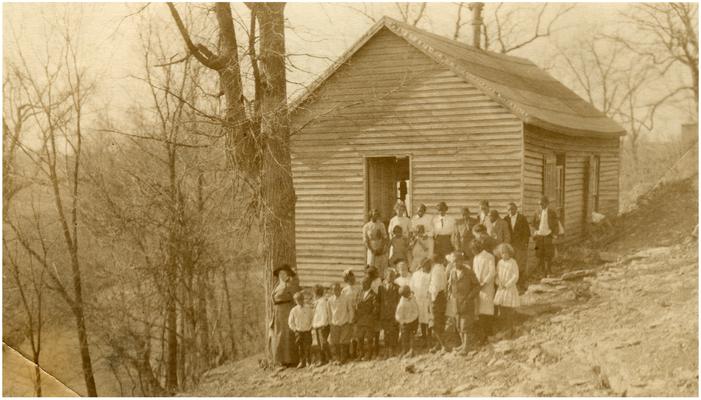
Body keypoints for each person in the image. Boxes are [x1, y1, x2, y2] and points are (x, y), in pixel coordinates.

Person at [448, 251, 481, 354]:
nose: (454, 264)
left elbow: (477, 286)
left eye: (456, 261)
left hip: (466, 302)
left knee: (465, 325)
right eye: (453, 262)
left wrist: (469, 297)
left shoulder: (468, 272)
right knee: (458, 325)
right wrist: (450, 294)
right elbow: (450, 285)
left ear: (461, 261)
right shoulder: (452, 272)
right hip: (456, 302)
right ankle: (463, 344)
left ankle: (467, 347)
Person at [271, 264, 300, 367]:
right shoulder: (277, 285)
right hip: (278, 313)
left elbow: (296, 297)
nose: (282, 276)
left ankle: (291, 360)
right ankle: (282, 360)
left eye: (284, 273)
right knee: (279, 335)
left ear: (288, 275)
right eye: (280, 274)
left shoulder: (290, 285)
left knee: (288, 335)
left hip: (287, 311)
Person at [471, 238, 496, 345]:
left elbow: (492, 272)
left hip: (487, 287)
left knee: (488, 310)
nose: (473, 251)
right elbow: (474, 272)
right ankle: (483, 335)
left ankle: (489, 334)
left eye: (474, 249)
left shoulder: (489, 256)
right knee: (480, 311)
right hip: (478, 287)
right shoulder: (475, 258)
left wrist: (484, 283)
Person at [493, 244, 520, 339]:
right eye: (502, 253)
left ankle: (510, 328)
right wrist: (498, 282)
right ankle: (504, 327)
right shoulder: (500, 263)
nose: (504, 255)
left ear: (510, 253)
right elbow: (496, 274)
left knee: (508, 309)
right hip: (501, 288)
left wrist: (507, 284)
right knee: (502, 308)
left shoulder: (513, 262)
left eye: (506, 253)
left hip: (509, 288)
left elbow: (515, 276)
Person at [531, 196, 560, 278]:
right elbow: (533, 224)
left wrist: (555, 235)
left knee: (549, 254)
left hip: (548, 235)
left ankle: (549, 270)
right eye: (539, 204)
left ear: (547, 203)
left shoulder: (552, 213)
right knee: (539, 253)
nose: (540, 205)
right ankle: (542, 271)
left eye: (542, 204)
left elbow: (556, 225)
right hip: (539, 236)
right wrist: (534, 232)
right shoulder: (537, 212)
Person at [505, 202, 531, 291]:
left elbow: (527, 232)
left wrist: (525, 244)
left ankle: (521, 285)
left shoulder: (522, 218)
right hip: (511, 246)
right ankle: (513, 285)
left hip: (520, 246)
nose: (510, 211)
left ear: (516, 209)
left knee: (520, 265)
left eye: (512, 209)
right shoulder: (506, 219)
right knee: (512, 265)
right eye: (508, 209)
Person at [354, 277, 379, 360]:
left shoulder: (373, 295)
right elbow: (356, 303)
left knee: (369, 338)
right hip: (360, 320)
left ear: (368, 284)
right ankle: (361, 354)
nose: (362, 285)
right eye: (361, 283)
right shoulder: (359, 293)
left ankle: (369, 355)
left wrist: (370, 317)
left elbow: (376, 308)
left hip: (369, 320)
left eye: (364, 283)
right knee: (360, 338)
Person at [428, 253, 448, 353]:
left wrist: (432, 299)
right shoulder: (441, 268)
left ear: (432, 261)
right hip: (442, 296)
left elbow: (435, 287)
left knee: (435, 323)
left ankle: (443, 345)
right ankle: (439, 344)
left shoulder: (436, 270)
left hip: (437, 297)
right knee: (440, 322)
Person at [410, 257, 432, 348]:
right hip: (418, 300)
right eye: (425, 265)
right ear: (422, 265)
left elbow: (432, 286)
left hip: (427, 299)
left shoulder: (430, 274)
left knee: (428, 318)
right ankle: (423, 336)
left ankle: (429, 337)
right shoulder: (416, 274)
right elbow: (412, 286)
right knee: (421, 319)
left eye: (428, 265)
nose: (427, 266)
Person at [378, 268, 400, 358]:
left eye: (392, 276)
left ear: (394, 277)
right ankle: (386, 349)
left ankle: (393, 349)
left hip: (393, 312)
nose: (390, 277)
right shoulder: (381, 287)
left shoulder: (397, 287)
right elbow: (379, 301)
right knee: (386, 331)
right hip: (384, 313)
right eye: (388, 275)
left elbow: (399, 301)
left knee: (394, 331)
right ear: (385, 276)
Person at [288, 291, 314, 368]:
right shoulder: (294, 310)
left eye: (300, 299)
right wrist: (295, 329)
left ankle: (309, 361)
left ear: (303, 299)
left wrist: (311, 326)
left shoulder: (308, 308)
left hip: (307, 330)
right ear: (295, 301)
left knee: (308, 346)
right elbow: (290, 322)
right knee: (300, 347)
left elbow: (313, 318)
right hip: (298, 332)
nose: (299, 301)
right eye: (297, 300)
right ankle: (302, 362)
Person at [328, 282, 352, 364]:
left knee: (344, 341)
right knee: (335, 342)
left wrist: (349, 320)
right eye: (334, 290)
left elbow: (350, 310)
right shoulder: (330, 300)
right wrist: (331, 322)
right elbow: (329, 312)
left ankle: (343, 358)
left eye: (338, 289)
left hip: (344, 322)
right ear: (332, 290)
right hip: (335, 323)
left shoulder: (346, 298)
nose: (336, 291)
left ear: (340, 289)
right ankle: (337, 358)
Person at [342, 269, 362, 360]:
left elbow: (360, 300)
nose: (351, 280)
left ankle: (355, 352)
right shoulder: (344, 290)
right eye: (349, 279)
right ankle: (348, 353)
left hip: (356, 312)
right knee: (348, 333)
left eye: (352, 278)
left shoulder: (358, 288)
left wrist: (357, 312)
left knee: (355, 333)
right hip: (347, 313)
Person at [395, 285, 419, 358]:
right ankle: (405, 350)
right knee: (404, 337)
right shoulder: (402, 304)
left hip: (413, 320)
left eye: (409, 292)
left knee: (412, 335)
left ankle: (412, 350)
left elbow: (416, 310)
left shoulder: (412, 298)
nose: (409, 294)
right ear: (404, 295)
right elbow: (398, 316)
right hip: (405, 322)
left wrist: (413, 318)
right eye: (407, 293)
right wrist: (403, 321)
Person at [363, 209, 388, 274]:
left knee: (380, 266)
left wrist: (381, 248)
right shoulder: (366, 226)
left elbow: (385, 237)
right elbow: (365, 240)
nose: (375, 216)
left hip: (380, 247)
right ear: (371, 215)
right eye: (374, 214)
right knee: (371, 266)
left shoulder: (381, 224)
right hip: (371, 248)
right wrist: (371, 250)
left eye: (377, 214)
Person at [311, 284, 332, 366]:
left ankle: (329, 358)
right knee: (320, 343)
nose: (314, 295)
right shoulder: (318, 302)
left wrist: (323, 324)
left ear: (316, 293)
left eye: (314, 293)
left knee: (323, 342)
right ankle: (323, 359)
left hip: (322, 325)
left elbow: (323, 314)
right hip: (318, 325)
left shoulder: (322, 302)